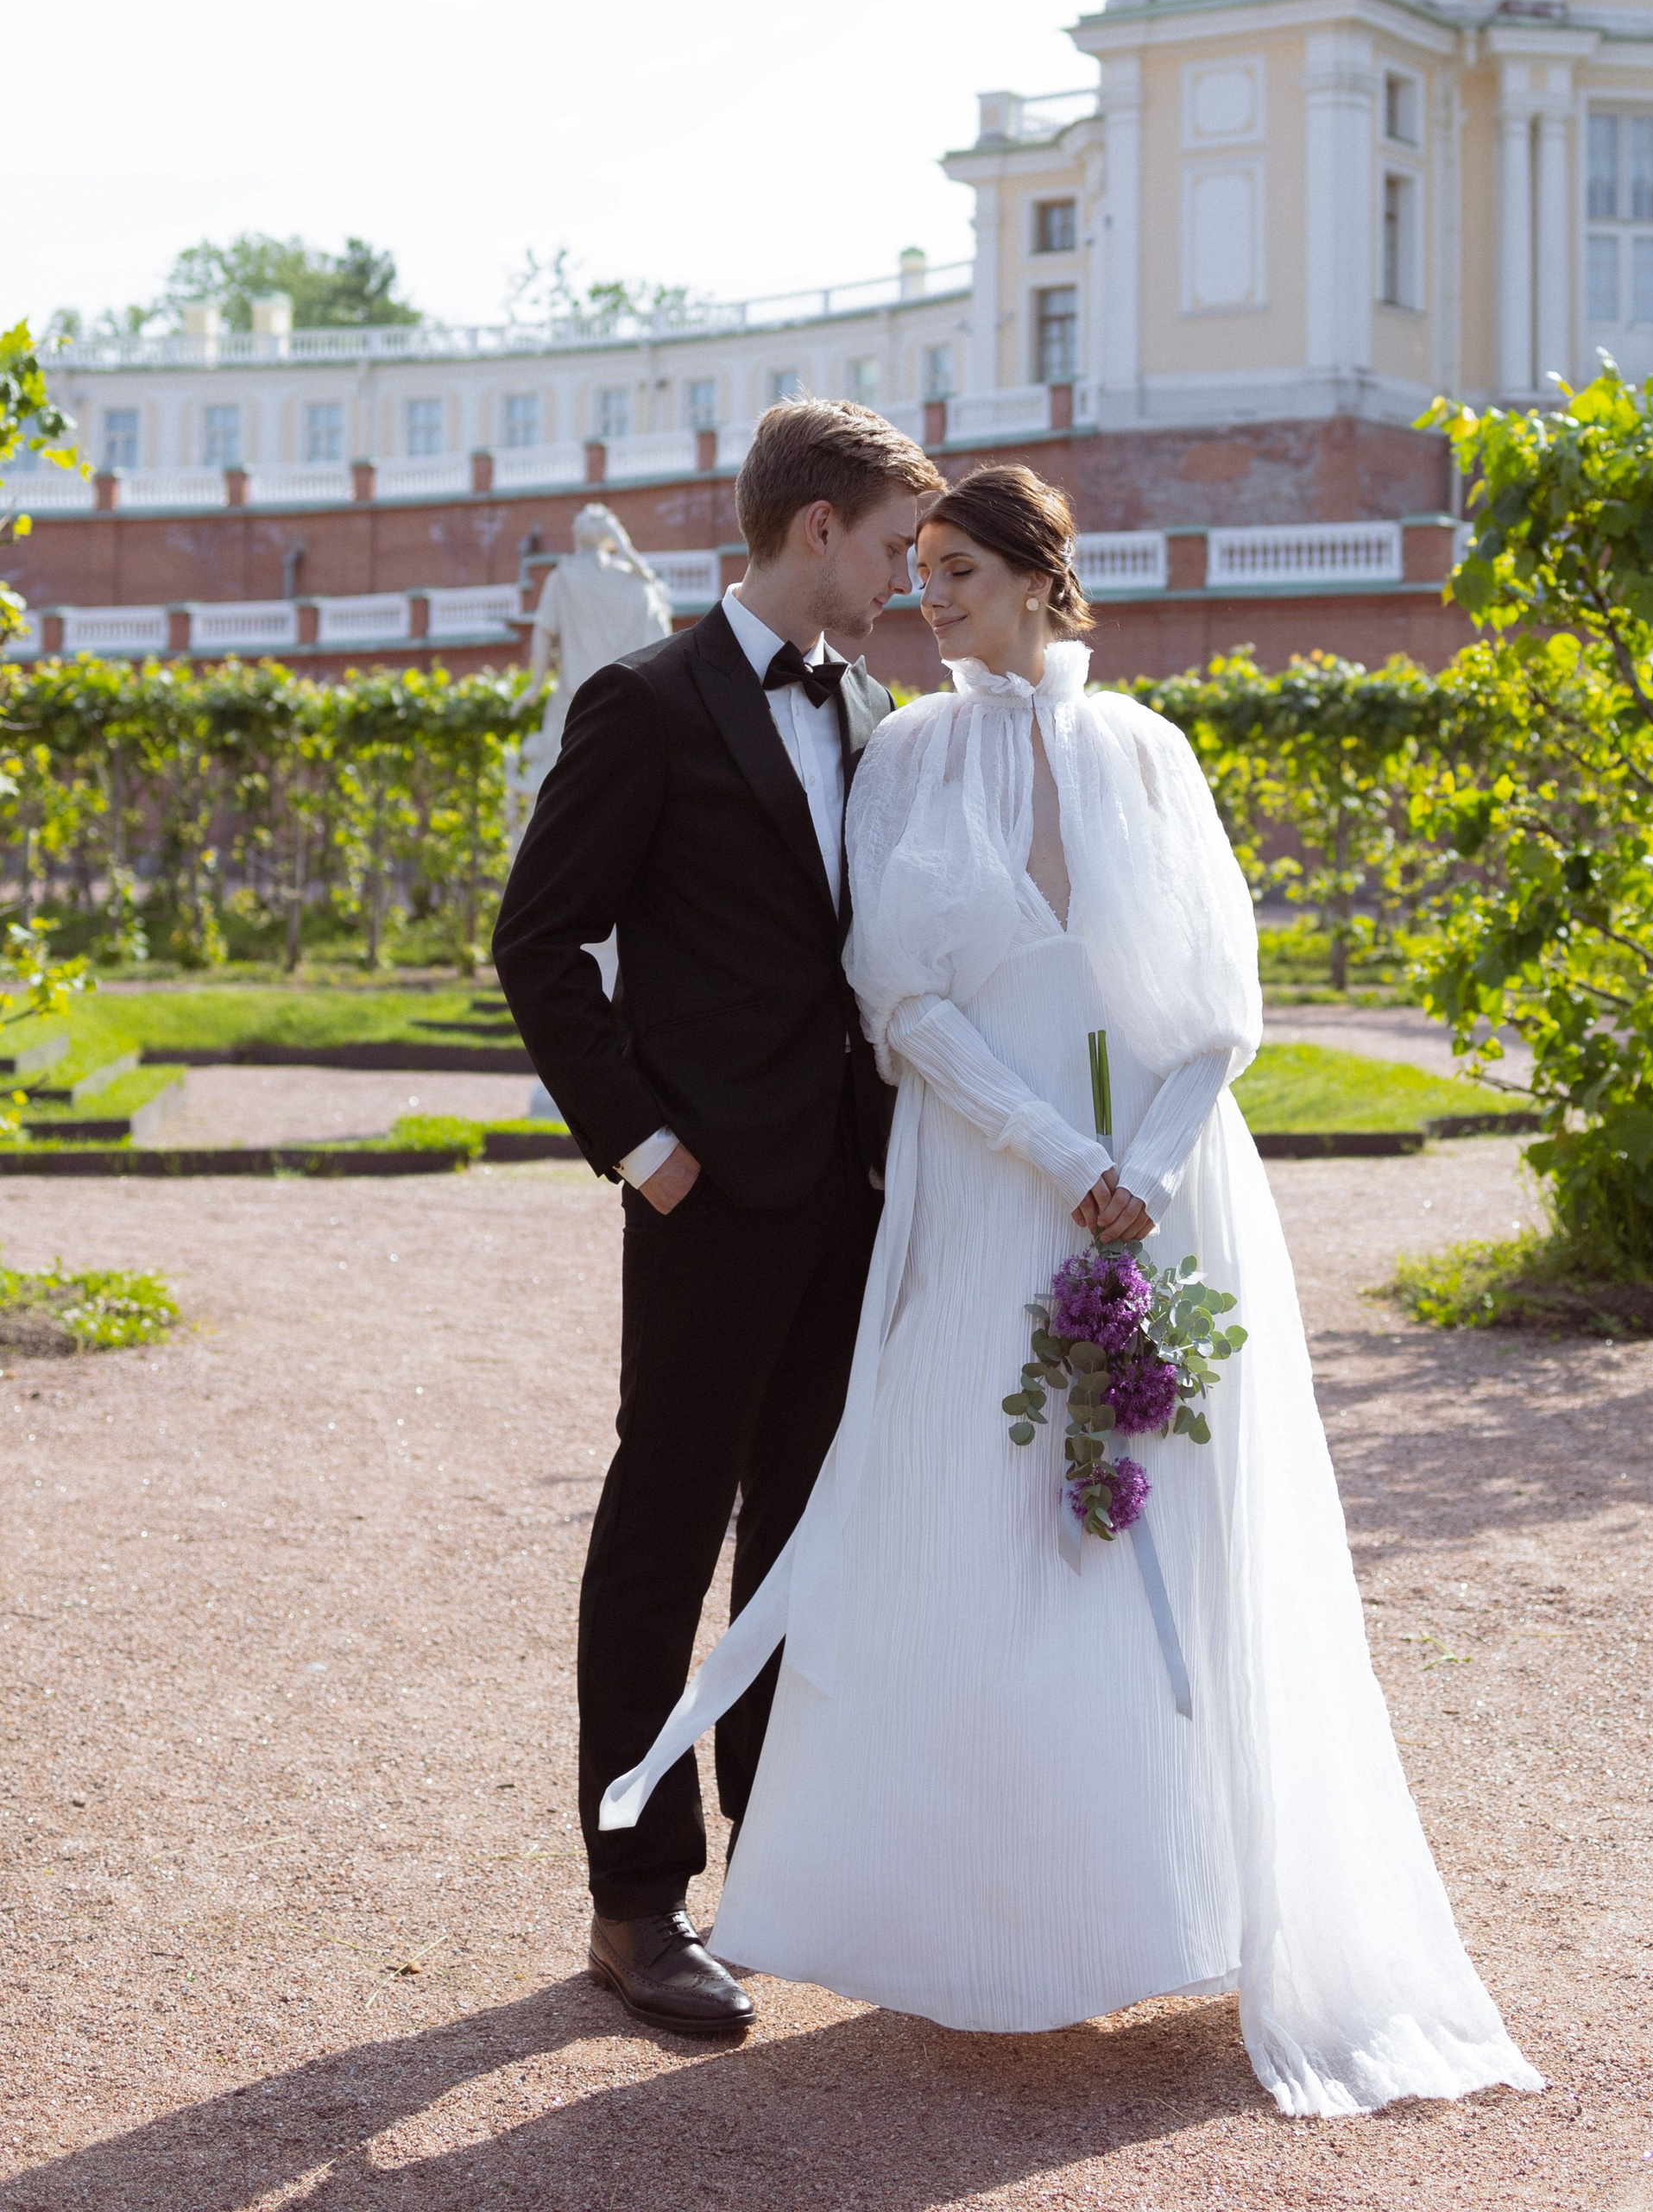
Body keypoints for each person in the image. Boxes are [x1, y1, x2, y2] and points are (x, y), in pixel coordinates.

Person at [603, 463, 1542, 2115]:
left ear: (1043, 574)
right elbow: (900, 1000)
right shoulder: (907, 752)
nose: (929, 596)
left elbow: (1222, 1004)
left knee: (1153, 1531)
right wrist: (1054, 1151)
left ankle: (1165, 1898)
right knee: (984, 1527)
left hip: (1162, 1197)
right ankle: (981, 1920)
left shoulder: (1150, 750)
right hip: (987, 1191)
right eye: (919, 566)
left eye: (959, 568)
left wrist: (1147, 1170)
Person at [493, 398, 943, 2040]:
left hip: (846, 1193)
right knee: (662, 1537)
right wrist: (641, 1144)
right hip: (706, 1196)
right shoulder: (645, 701)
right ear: (817, 527)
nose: (904, 578)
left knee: (800, 1537)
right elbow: (539, 941)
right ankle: (635, 1901)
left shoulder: (871, 706)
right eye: (892, 546)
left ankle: (779, 1858)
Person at [517, 505, 674, 810]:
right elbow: (661, 643)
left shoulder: (563, 577)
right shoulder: (638, 584)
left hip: (575, 706)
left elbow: (543, 631)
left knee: (565, 800)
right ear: (612, 537)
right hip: (630, 712)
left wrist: (535, 685)